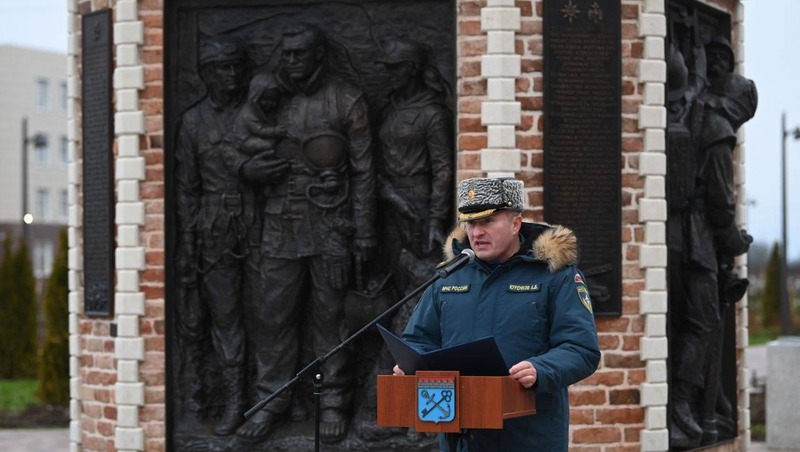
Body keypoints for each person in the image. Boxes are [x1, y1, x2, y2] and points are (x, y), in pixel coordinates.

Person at [236, 24, 377, 443]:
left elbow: (365, 170)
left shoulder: (346, 99)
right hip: (280, 223)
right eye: (287, 54)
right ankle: (270, 402)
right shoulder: (271, 98)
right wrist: (248, 170)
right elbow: (238, 143)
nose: (292, 62)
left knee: (330, 315)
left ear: (319, 56)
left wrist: (366, 233)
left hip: (332, 225)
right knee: (272, 315)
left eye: (300, 54)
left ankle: (333, 398)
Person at [393, 177, 600, 451]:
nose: (476, 232)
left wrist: (541, 369)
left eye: (487, 222)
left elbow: (581, 349)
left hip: (527, 436)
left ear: (516, 224)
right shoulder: (449, 275)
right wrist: (412, 363)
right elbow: (421, 339)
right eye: (470, 223)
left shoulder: (555, 275)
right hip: (459, 437)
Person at [667, 35, 756, 448]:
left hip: (678, 237)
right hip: (698, 242)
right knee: (702, 324)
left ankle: (695, 405)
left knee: (693, 321)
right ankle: (681, 407)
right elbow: (721, 208)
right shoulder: (719, 132)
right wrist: (739, 242)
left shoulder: (695, 107)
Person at [174, 35, 253, 436]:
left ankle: (272, 400)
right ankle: (228, 401)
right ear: (206, 74)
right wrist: (188, 243)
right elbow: (187, 188)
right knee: (222, 318)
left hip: (262, 227)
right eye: (223, 68)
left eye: (237, 66)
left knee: (268, 318)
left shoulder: (257, 111)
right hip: (214, 233)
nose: (232, 74)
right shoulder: (192, 122)